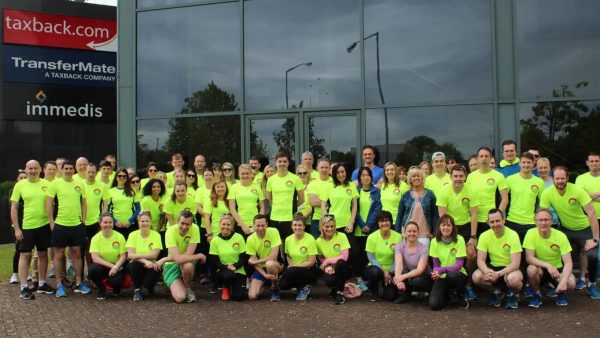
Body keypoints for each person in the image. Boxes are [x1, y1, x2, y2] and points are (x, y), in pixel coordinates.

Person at [539, 166, 600, 297]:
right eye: (557, 178)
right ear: (553, 179)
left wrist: (595, 239)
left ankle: (592, 284)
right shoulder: (547, 192)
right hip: (565, 229)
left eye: (562, 178)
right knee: (552, 251)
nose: (560, 181)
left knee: (594, 256)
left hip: (584, 228)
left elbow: (591, 212)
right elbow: (543, 214)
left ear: (567, 178)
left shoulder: (577, 190)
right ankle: (557, 284)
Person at [46, 159, 91, 297]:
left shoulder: (79, 184)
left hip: (77, 225)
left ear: (74, 170)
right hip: (60, 225)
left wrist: (83, 221)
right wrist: (51, 222)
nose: (69, 170)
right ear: (62, 169)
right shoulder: (55, 183)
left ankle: (78, 283)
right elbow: (48, 203)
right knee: (59, 254)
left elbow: (84, 203)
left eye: (71, 168)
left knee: (77, 253)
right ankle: (59, 285)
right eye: (66, 168)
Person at [10, 162, 54, 299]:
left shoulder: (47, 184)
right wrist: (17, 228)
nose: (33, 170)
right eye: (30, 168)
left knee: (42, 254)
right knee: (25, 255)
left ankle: (42, 283)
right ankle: (23, 287)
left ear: (41, 169)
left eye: (36, 168)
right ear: (26, 169)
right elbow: (14, 208)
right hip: (27, 226)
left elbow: (53, 204)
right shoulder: (20, 185)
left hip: (44, 225)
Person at [436, 165, 479, 300]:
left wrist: (473, 236)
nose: (458, 179)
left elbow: (474, 215)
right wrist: (446, 233)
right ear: (451, 177)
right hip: (450, 227)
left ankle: (468, 284)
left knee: (471, 254)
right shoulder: (443, 191)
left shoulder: (471, 190)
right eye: (455, 176)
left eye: (461, 176)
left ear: (465, 176)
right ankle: (449, 286)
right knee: (451, 256)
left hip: (466, 227)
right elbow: (442, 217)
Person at [523, 209, 575, 308]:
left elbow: (568, 263)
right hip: (541, 270)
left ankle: (561, 293)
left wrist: (563, 282)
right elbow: (529, 258)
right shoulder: (530, 233)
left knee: (571, 283)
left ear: (552, 221)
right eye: (540, 220)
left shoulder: (560, 236)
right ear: (535, 221)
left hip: (557, 271)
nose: (543, 223)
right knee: (531, 269)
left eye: (546, 220)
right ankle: (537, 295)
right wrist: (548, 265)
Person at [472, 209, 523, 309]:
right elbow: (480, 261)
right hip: (493, 268)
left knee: (513, 280)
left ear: (504, 220)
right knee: (476, 276)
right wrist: (487, 272)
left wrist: (498, 274)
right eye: (492, 222)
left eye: (498, 221)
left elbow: (515, 264)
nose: (495, 224)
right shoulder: (484, 236)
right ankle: (497, 292)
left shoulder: (513, 235)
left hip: (510, 269)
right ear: (488, 223)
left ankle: (513, 295)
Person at [156, 210, 205, 303]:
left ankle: (188, 288)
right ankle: (175, 283)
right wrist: (199, 255)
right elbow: (177, 259)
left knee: (188, 265)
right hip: (171, 265)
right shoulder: (170, 231)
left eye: (187, 224)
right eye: (182, 223)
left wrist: (165, 258)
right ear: (178, 221)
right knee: (180, 298)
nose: (184, 227)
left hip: (185, 262)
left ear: (191, 224)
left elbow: (188, 255)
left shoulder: (195, 228)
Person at [429, 215, 469, 310]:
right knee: (434, 305)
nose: (446, 228)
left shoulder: (460, 239)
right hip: (442, 276)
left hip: (458, 274)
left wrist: (440, 270)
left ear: (453, 227)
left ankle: (461, 294)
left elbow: (459, 266)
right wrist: (435, 273)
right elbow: (435, 265)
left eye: (449, 225)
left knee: (452, 275)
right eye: (443, 225)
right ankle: (446, 294)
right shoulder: (434, 241)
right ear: (439, 227)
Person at [466, 147, 508, 235]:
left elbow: (505, 199)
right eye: (481, 156)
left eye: (486, 156)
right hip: (474, 220)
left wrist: (497, 217)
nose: (484, 158)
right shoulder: (470, 177)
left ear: (490, 158)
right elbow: (467, 198)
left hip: (491, 221)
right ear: (477, 159)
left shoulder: (499, 176)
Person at [266, 151, 304, 246]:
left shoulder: (295, 178)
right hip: (274, 217)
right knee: (276, 246)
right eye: (280, 161)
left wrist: (293, 208)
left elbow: (302, 199)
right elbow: (269, 199)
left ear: (288, 163)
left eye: (284, 161)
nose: (282, 163)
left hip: (289, 218)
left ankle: (288, 261)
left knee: (289, 245)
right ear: (275, 163)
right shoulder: (270, 180)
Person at [364, 211, 403, 302]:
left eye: (387, 220)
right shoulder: (372, 237)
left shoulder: (398, 237)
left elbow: (398, 258)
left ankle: (386, 286)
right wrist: (383, 271)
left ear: (391, 222)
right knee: (374, 272)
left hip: (392, 269)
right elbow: (371, 257)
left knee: (390, 296)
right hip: (375, 268)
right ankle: (374, 292)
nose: (384, 223)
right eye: (381, 221)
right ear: (378, 223)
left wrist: (390, 271)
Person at [505, 152, 544, 242]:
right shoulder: (510, 179)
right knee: (513, 253)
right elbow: (503, 200)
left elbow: (542, 204)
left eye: (529, 162)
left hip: (530, 223)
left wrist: (537, 218)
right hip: (512, 221)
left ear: (533, 163)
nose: (526, 165)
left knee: (529, 252)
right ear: (519, 163)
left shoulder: (539, 182)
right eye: (524, 162)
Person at [88, 213, 128, 300]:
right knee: (92, 270)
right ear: (100, 223)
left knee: (115, 282)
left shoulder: (119, 236)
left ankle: (116, 288)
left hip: (117, 265)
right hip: (103, 266)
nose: (108, 225)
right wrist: (113, 267)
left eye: (110, 222)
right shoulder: (95, 238)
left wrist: (116, 266)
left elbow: (123, 256)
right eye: (105, 222)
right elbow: (95, 258)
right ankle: (101, 288)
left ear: (113, 223)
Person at [354, 166, 382, 290]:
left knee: (369, 257)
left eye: (368, 175)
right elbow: (354, 210)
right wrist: (361, 224)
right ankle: (360, 281)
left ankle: (370, 280)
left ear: (371, 177)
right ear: (359, 177)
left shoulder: (376, 191)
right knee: (358, 256)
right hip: (358, 230)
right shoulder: (355, 191)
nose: (366, 177)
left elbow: (377, 210)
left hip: (372, 229)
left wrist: (369, 225)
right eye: (363, 175)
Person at [395, 166, 438, 245]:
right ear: (410, 179)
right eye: (413, 176)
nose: (416, 178)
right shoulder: (406, 195)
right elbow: (400, 215)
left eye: (418, 176)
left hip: (424, 235)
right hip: (407, 234)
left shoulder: (430, 194)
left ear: (422, 178)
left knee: (423, 257)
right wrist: (397, 233)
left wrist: (435, 233)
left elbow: (435, 215)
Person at [209, 214, 248, 301]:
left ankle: (235, 287)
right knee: (228, 276)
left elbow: (243, 257)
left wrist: (235, 266)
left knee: (239, 297)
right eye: (223, 224)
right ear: (220, 225)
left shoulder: (239, 237)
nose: (225, 227)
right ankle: (225, 287)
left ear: (232, 226)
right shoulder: (215, 240)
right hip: (223, 269)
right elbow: (213, 260)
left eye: (228, 225)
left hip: (238, 269)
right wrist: (226, 267)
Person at [316, 214, 353, 305]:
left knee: (340, 263)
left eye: (332, 226)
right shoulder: (318, 241)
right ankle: (335, 289)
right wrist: (327, 267)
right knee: (329, 281)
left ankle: (340, 293)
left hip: (343, 268)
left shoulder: (342, 236)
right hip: (330, 268)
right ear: (322, 227)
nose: (330, 229)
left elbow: (344, 257)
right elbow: (320, 256)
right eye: (327, 226)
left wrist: (327, 261)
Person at [393, 221, 433, 304]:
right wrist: (398, 280)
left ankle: (428, 291)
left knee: (416, 282)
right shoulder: (399, 246)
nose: (412, 233)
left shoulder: (424, 248)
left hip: (424, 276)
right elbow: (398, 264)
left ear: (418, 233)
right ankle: (406, 295)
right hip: (408, 276)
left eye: (414, 231)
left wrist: (402, 277)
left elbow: (420, 270)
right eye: (409, 231)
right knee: (391, 293)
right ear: (404, 233)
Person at [279, 214, 317, 301]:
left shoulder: (310, 239)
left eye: (300, 225)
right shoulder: (288, 239)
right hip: (293, 269)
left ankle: (304, 288)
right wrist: (292, 265)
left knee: (292, 271)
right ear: (291, 226)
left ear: (304, 226)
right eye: (295, 225)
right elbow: (288, 256)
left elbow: (311, 262)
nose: (297, 227)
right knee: (282, 285)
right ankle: (300, 286)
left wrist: (294, 267)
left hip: (308, 270)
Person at [82, 163, 110, 282]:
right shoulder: (80, 185)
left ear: (97, 172)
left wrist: (101, 217)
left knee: (92, 250)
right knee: (79, 251)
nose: (91, 174)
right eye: (89, 172)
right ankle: (79, 277)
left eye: (93, 172)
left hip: (95, 222)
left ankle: (91, 275)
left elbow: (105, 203)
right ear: (85, 172)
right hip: (81, 222)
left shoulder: (102, 186)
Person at [126, 211, 163, 301]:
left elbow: (154, 255)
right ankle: (137, 290)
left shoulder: (156, 235)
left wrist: (136, 255)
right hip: (137, 264)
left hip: (152, 265)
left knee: (147, 284)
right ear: (138, 222)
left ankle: (149, 286)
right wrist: (145, 260)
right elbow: (130, 255)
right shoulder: (132, 235)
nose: (145, 223)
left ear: (150, 222)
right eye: (142, 221)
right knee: (134, 264)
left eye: (147, 221)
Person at [246, 214, 283, 301]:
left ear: (267, 224)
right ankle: (266, 283)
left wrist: (255, 262)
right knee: (252, 296)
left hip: (276, 266)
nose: (260, 228)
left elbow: (273, 256)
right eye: (258, 226)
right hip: (261, 269)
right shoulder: (250, 239)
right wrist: (265, 275)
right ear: (254, 226)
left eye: (263, 225)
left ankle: (275, 288)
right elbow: (254, 262)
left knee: (269, 263)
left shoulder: (274, 231)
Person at [229, 164, 266, 236]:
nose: (245, 176)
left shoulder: (257, 187)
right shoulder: (234, 187)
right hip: (239, 225)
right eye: (242, 173)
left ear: (251, 174)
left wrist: (257, 224)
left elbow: (262, 207)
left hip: (256, 226)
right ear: (239, 174)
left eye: (247, 173)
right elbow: (232, 209)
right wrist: (243, 225)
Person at [105, 168, 141, 239]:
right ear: (116, 177)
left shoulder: (133, 191)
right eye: (120, 176)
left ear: (127, 178)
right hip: (116, 225)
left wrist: (130, 221)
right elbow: (107, 209)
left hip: (130, 225)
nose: (122, 177)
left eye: (124, 176)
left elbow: (138, 208)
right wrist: (115, 222)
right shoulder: (110, 191)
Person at [9, 169, 28, 285]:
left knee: (28, 251)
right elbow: (12, 209)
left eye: (25, 178)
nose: (23, 180)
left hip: (29, 224)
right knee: (19, 249)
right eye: (21, 178)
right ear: (17, 179)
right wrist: (16, 227)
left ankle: (27, 273)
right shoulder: (14, 191)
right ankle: (15, 274)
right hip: (18, 225)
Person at [306, 157, 333, 238]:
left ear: (329, 168)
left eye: (326, 167)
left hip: (333, 219)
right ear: (317, 168)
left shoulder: (335, 182)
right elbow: (312, 202)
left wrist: (320, 201)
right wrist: (328, 202)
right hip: (317, 220)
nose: (324, 170)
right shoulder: (313, 183)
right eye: (322, 167)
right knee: (317, 246)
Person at [575, 152, 600, 227]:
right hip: (588, 218)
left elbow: (584, 196)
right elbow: (579, 196)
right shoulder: (580, 178)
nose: (594, 163)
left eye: (597, 161)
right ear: (587, 163)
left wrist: (587, 196)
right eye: (592, 161)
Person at [536, 157, 559, 225]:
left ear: (549, 168)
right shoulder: (534, 182)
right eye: (540, 168)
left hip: (555, 219)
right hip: (539, 219)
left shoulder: (556, 182)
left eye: (545, 167)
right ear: (537, 169)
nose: (543, 170)